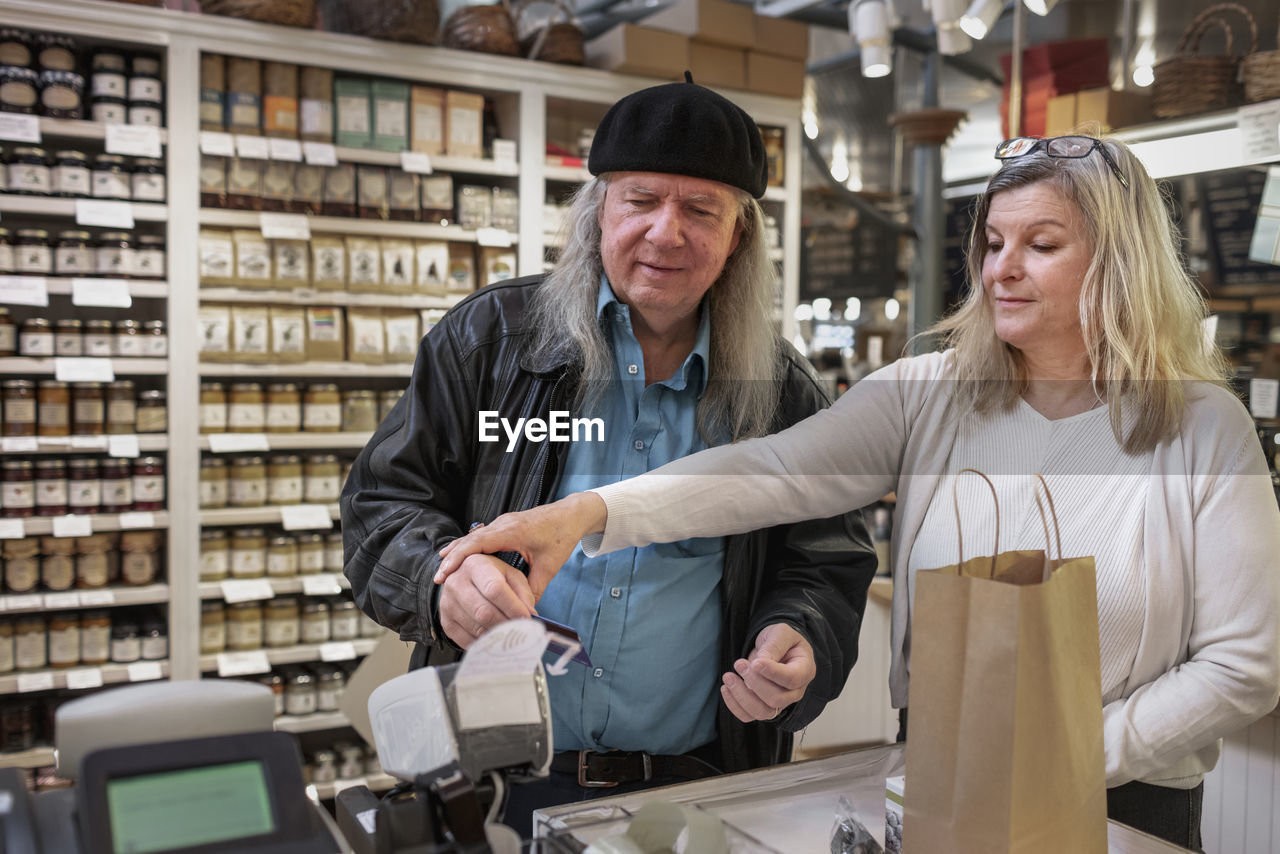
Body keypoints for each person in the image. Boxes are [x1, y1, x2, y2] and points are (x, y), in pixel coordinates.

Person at [437, 133, 1280, 849]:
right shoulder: (927, 395)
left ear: (1120, 261)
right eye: (991, 244)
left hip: (1123, 804)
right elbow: (768, 473)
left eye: (1042, 246)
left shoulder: (1203, 428)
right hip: (939, 780)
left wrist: (1071, 756)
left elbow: (1246, 663)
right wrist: (588, 512)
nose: (1001, 271)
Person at [340, 75, 878, 836]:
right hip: (493, 787)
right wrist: (438, 581)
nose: (666, 233)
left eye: (700, 210)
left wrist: (801, 634)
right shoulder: (490, 342)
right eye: (641, 201)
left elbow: (826, 558)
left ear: (738, 239)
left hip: (697, 790)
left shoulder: (782, 391)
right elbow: (377, 509)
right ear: (598, 214)